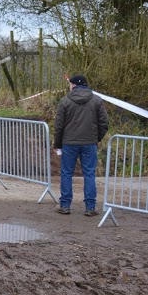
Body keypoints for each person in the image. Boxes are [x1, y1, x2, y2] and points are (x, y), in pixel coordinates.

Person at [53, 74, 109, 216]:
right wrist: (96, 138)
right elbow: (104, 123)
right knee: (89, 174)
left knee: (66, 173)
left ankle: (65, 205)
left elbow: (59, 126)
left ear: (73, 85)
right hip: (89, 143)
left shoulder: (65, 101)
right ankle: (90, 207)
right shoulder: (97, 100)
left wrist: (57, 144)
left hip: (69, 143)